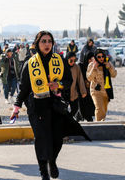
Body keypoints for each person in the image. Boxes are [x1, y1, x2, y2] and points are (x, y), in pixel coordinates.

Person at [11, 31, 90, 180]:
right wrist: (16, 106)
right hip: (36, 106)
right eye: (43, 41)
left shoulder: (59, 60)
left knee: (56, 139)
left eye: (49, 41)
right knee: (41, 138)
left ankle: (52, 161)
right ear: (37, 44)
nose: (47, 44)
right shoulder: (30, 63)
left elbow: (68, 81)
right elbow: (24, 88)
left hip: (55, 105)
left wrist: (58, 85)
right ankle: (44, 173)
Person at [86, 49, 117, 121]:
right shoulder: (91, 65)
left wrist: (110, 67)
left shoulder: (107, 63)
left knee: (103, 111)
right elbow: (89, 78)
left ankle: (101, 124)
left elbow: (114, 75)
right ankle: (98, 125)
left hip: (106, 91)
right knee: (99, 108)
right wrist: (94, 68)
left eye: (102, 56)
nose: (101, 58)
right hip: (96, 91)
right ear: (96, 57)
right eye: (99, 57)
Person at [66, 52, 87, 121]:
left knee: (74, 109)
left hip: (73, 93)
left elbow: (80, 79)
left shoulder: (76, 67)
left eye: (75, 60)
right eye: (71, 60)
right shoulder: (63, 66)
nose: (73, 62)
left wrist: (83, 91)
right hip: (64, 93)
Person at [78, 52, 95, 121]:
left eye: (93, 59)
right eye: (90, 59)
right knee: (82, 110)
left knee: (90, 112)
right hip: (82, 92)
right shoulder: (81, 67)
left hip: (91, 92)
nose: (91, 61)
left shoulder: (94, 67)